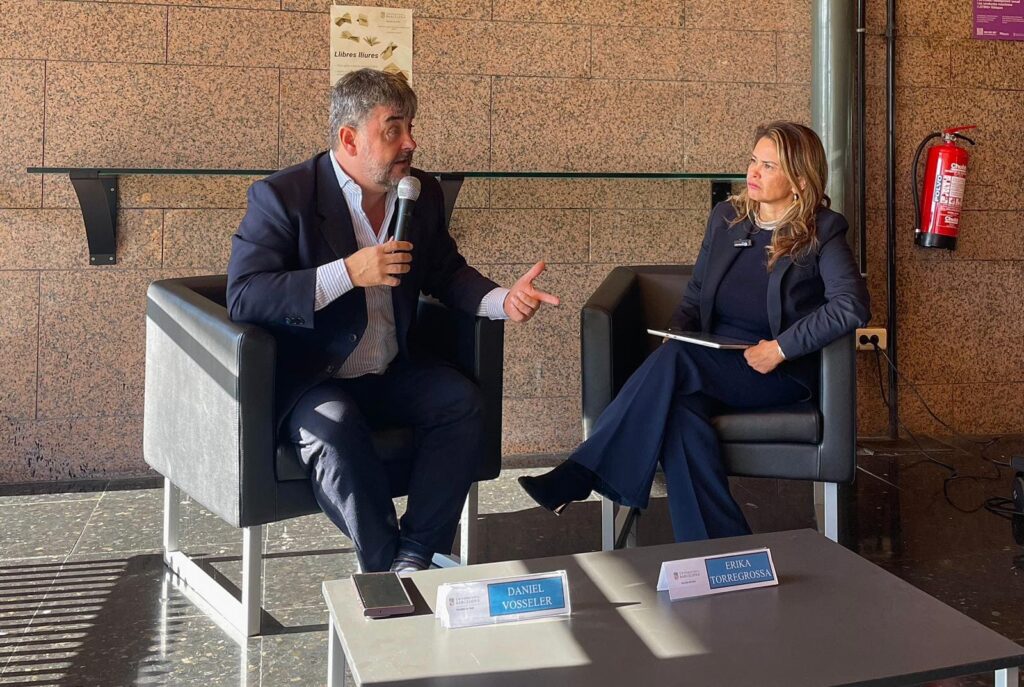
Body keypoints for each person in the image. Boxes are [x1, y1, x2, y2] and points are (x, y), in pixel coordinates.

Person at [226, 69, 559, 573]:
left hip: (389, 366)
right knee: (335, 430)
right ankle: (387, 571)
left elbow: (445, 270)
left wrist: (501, 300)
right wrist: (348, 273)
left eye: (412, 127)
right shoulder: (283, 197)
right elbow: (245, 297)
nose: (411, 142)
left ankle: (417, 555)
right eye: (394, 129)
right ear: (349, 137)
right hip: (317, 377)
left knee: (461, 402)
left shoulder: (418, 192)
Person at [519, 121, 869, 542]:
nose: (752, 173)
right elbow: (696, 295)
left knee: (677, 363)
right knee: (682, 413)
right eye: (752, 161)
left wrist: (780, 348)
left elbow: (851, 305)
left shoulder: (823, 230)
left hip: (774, 370)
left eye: (767, 166)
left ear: (798, 180)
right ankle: (722, 552)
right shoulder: (727, 218)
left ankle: (580, 473)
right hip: (711, 358)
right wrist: (679, 332)